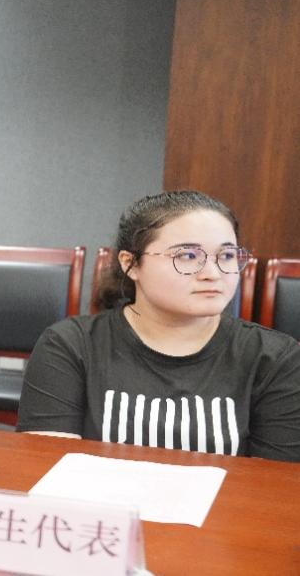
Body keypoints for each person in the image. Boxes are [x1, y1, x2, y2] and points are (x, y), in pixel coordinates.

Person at [17, 190, 300, 462]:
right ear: (131, 264)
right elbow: (48, 466)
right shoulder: (69, 345)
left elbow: (274, 482)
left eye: (226, 256)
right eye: (188, 256)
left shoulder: (275, 359)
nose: (213, 274)